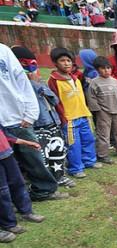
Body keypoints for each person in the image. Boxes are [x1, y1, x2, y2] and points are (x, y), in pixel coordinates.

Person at [0, 43, 67, 201]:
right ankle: (11, 201)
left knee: (33, 157)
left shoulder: (4, 51)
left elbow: (22, 83)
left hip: (17, 117)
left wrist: (30, 114)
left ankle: (44, 190)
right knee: (6, 164)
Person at [12, 45, 75, 189]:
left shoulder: (40, 82)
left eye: (33, 64)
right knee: (42, 155)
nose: (30, 68)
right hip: (35, 125)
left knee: (57, 151)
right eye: (24, 64)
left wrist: (36, 83)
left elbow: (54, 99)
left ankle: (60, 177)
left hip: (52, 121)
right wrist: (33, 83)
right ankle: (44, 182)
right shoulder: (16, 85)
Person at [48, 47, 101, 179]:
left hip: (83, 114)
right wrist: (63, 118)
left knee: (88, 139)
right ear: (55, 63)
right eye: (62, 61)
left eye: (68, 60)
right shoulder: (54, 80)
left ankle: (89, 161)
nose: (66, 63)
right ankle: (76, 168)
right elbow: (56, 102)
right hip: (69, 118)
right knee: (73, 144)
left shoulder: (76, 78)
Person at [0, 127, 45, 243]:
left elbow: (6, 133)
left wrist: (27, 143)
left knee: (18, 183)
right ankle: (8, 223)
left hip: (6, 154)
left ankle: (26, 212)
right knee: (2, 191)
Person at [86, 56, 117, 164]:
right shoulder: (94, 82)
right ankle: (102, 154)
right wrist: (98, 110)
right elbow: (91, 98)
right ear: (97, 70)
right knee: (104, 134)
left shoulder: (115, 81)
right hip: (103, 113)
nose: (107, 70)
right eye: (103, 68)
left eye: (108, 68)